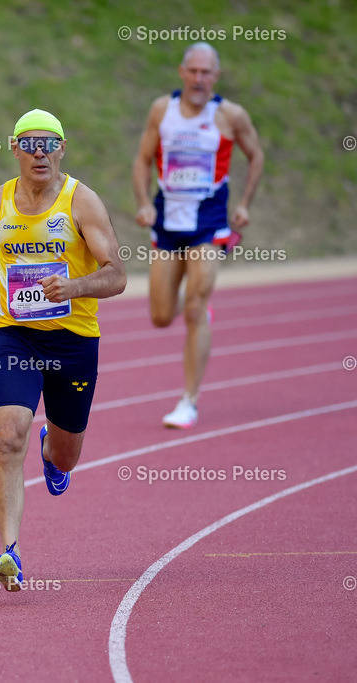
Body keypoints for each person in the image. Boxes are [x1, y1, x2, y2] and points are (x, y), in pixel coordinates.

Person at [0, 110, 127, 590]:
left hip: (74, 341)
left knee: (65, 454)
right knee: (7, 433)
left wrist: (73, 286)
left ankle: (52, 454)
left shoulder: (82, 202)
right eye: (31, 143)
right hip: (17, 335)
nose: (40, 152)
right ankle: (9, 552)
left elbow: (117, 275)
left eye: (49, 143)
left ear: (62, 149)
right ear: (14, 147)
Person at [132, 42, 264, 428]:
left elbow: (256, 155)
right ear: (181, 72)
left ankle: (188, 400)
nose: (198, 79)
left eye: (206, 72)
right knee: (160, 315)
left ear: (216, 76)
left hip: (209, 222)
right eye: (193, 71)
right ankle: (196, 306)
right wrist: (143, 202)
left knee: (192, 309)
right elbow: (142, 160)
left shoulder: (230, 115)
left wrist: (245, 204)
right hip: (167, 222)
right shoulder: (162, 110)